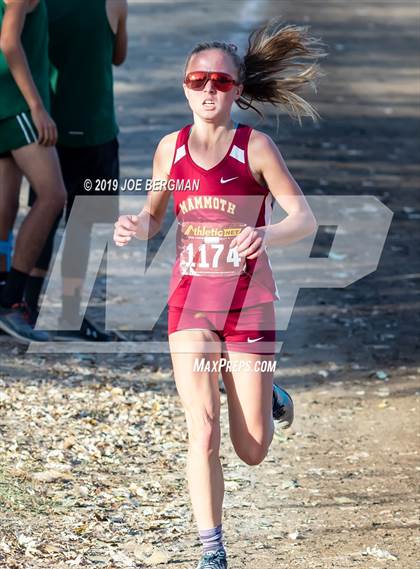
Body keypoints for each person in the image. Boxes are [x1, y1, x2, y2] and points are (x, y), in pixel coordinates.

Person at [114, 18, 325, 569]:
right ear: (185, 85)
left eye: (222, 82)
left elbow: (303, 217)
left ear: (236, 90)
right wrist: (136, 225)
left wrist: (267, 233)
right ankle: (212, 549)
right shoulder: (170, 151)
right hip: (191, 304)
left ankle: (267, 394)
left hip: (249, 302)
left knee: (251, 450)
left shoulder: (255, 148)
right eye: (199, 79)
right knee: (201, 428)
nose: (209, 89)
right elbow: (155, 215)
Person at [23, 0, 128, 340]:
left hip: (50, 129)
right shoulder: (114, 3)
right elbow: (118, 56)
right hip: (96, 129)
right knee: (84, 227)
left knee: (44, 217)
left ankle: (27, 304)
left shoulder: (38, 5)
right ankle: (70, 314)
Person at [0, 0, 66, 342]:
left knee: (5, 208)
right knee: (53, 195)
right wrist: (37, 107)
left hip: (5, 103)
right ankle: (11, 300)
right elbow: (8, 41)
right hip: (16, 105)